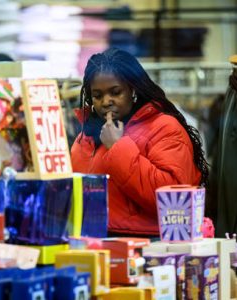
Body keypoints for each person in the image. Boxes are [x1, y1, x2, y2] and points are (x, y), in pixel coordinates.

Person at [71, 48, 209, 237]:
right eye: (97, 95)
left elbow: (174, 201)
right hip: (93, 243)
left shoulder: (164, 128)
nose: (106, 101)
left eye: (115, 92)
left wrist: (118, 148)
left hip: (148, 245)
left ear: (132, 89)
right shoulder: (84, 138)